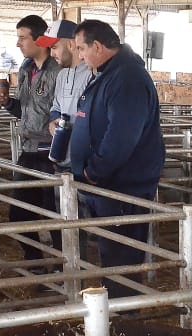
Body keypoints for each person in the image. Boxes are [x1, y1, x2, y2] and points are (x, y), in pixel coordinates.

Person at [68, 19, 165, 298]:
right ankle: (116, 309)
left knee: (121, 255)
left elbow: (121, 136)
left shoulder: (127, 78)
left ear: (98, 46)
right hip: (109, 184)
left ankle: (124, 314)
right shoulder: (110, 74)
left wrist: (94, 171)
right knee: (111, 251)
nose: (80, 56)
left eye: (81, 48)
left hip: (122, 186)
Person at [0, 15, 63, 262]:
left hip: (51, 152)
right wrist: (8, 103)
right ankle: (34, 260)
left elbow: (62, 112)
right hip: (29, 149)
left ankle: (63, 265)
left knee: (56, 214)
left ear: (40, 40)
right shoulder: (25, 70)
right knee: (20, 212)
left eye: (22, 38)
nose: (18, 43)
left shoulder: (58, 72)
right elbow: (26, 112)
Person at [40, 19, 90, 171]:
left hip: (83, 163)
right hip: (61, 158)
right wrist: (53, 121)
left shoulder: (91, 74)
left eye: (54, 47)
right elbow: (56, 107)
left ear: (70, 45)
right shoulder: (62, 75)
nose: (51, 54)